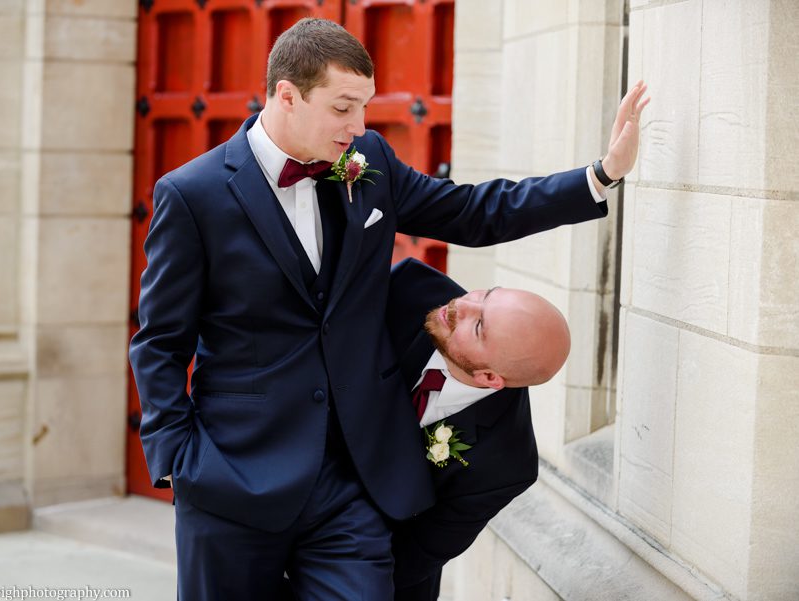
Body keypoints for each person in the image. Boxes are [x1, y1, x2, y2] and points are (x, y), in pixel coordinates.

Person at [128, 17, 648, 600]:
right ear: (287, 96)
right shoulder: (192, 195)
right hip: (232, 476)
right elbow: (160, 341)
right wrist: (176, 458)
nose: (360, 126)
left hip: (353, 485)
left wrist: (599, 177)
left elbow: (473, 211)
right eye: (344, 108)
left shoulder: (367, 160)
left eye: (365, 107)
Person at [383, 258, 569, 601]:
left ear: (488, 378)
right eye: (486, 294)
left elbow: (417, 553)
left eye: (479, 325)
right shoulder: (410, 287)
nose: (461, 305)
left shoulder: (506, 465)